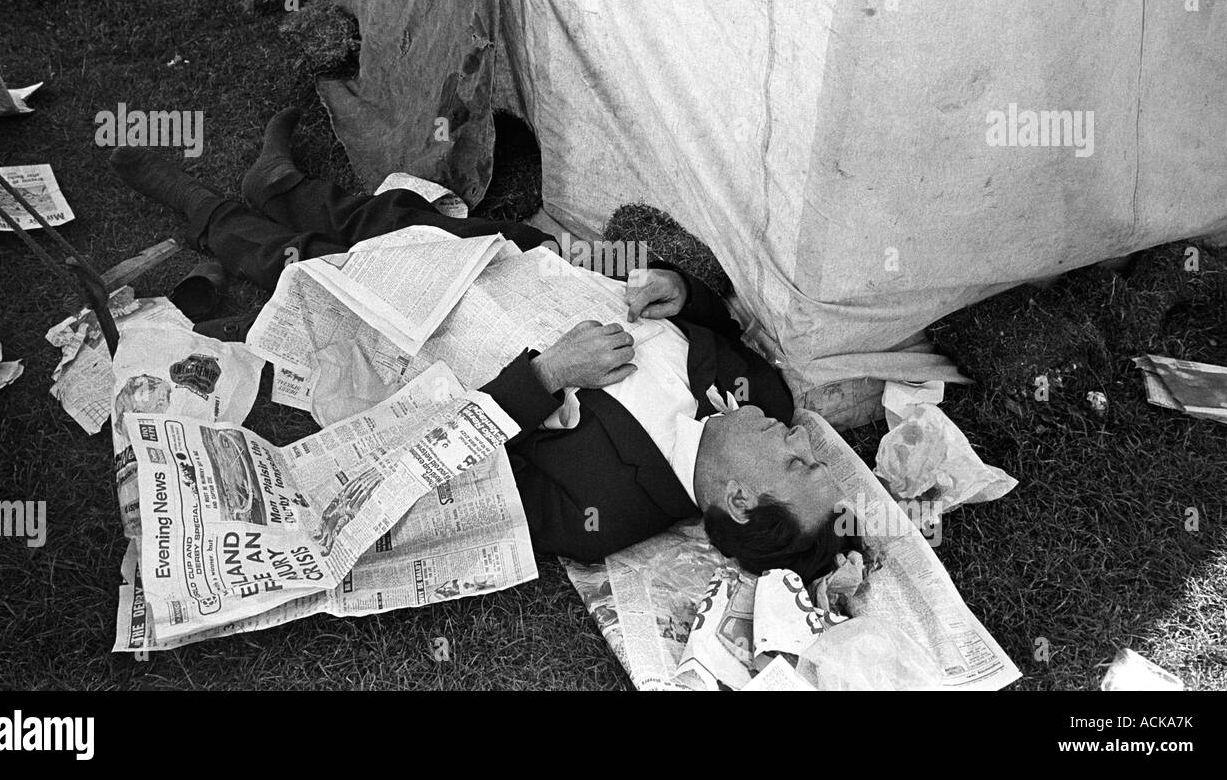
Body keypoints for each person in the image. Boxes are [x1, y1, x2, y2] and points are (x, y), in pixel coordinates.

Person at [110, 109, 854, 582]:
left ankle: (202, 208)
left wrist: (548, 374)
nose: (799, 437)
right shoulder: (768, 397)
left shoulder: (603, 511)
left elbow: (460, 457)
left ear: (739, 497)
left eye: (797, 461)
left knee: (306, 268)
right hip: (519, 267)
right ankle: (280, 182)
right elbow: (719, 326)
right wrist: (684, 294)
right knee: (393, 216)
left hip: (435, 327)